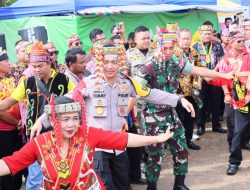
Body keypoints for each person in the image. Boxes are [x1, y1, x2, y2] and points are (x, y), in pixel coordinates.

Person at [31, 43, 195, 190]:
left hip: (119, 147)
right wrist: (42, 119)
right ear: (99, 63)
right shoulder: (89, 83)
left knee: (124, 185)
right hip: (97, 150)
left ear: (120, 63)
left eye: (114, 62)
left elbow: (150, 94)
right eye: (106, 62)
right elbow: (66, 101)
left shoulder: (127, 83)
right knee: (104, 186)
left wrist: (178, 99)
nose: (110, 66)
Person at [0, 95, 174, 190]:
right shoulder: (40, 143)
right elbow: (11, 163)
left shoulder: (87, 134)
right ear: (53, 121)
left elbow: (123, 139)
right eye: (65, 119)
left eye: (75, 119)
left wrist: (156, 138)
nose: (71, 124)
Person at [137, 25, 233, 190]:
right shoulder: (148, 67)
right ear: (158, 46)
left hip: (172, 114)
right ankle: (151, 186)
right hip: (153, 118)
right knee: (155, 155)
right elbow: (137, 93)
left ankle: (179, 185)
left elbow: (198, 70)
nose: (167, 51)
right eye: (164, 48)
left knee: (181, 148)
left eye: (170, 48)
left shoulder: (176, 62)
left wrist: (224, 75)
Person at [0, 40, 75, 190]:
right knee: (35, 176)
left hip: (61, 135)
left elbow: (77, 99)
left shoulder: (64, 80)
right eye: (33, 67)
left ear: (49, 63)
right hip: (35, 135)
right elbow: (9, 102)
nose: (36, 70)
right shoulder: (27, 83)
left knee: (63, 172)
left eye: (40, 66)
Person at [192, 23, 227, 135]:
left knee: (216, 101)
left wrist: (213, 72)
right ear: (200, 34)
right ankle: (200, 126)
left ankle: (216, 125)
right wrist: (204, 75)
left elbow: (221, 60)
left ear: (212, 34)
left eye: (209, 33)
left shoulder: (217, 45)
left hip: (215, 76)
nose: (207, 35)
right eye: (205, 33)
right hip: (200, 78)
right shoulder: (195, 46)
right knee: (201, 102)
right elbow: (193, 63)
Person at [226, 33, 250, 175]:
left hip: (246, 98)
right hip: (242, 102)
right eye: (239, 41)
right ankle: (234, 162)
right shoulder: (231, 59)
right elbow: (224, 79)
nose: (242, 43)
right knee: (238, 132)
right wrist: (227, 93)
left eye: (243, 41)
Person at [0, 49, 23, 190]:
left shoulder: (8, 79)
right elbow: (1, 112)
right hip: (4, 132)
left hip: (16, 130)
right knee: (6, 165)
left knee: (19, 163)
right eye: (6, 60)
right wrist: (16, 122)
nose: (9, 63)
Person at [175, 28, 201, 150]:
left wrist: (198, 82)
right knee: (179, 119)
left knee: (191, 117)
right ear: (178, 39)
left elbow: (199, 69)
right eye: (183, 38)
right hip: (178, 92)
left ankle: (189, 140)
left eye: (188, 38)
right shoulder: (174, 53)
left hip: (192, 91)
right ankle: (180, 144)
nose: (186, 41)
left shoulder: (194, 52)